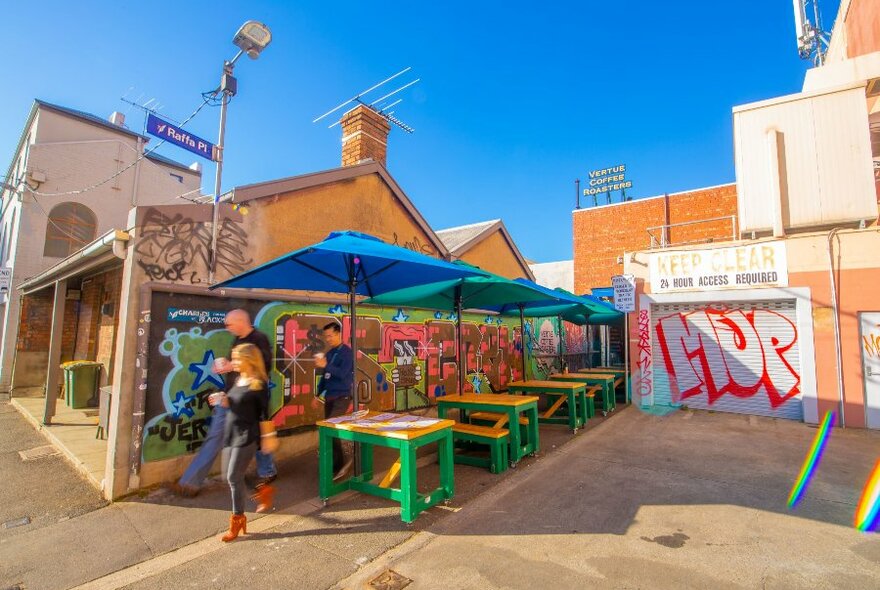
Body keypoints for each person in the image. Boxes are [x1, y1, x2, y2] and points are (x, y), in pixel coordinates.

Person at [173, 309, 277, 497]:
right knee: (217, 435)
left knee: (257, 435)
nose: (227, 328)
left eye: (229, 324)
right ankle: (189, 482)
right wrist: (225, 375)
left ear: (241, 321)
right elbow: (237, 367)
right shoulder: (237, 339)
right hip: (231, 396)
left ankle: (267, 471)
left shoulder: (259, 338)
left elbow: (264, 367)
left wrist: (230, 366)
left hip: (250, 397)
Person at [214, 344, 271, 542]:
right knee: (235, 475)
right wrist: (223, 400)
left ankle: (237, 519)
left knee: (232, 477)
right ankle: (262, 490)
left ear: (250, 360)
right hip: (231, 433)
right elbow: (235, 403)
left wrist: (267, 438)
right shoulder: (238, 379)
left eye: (238, 359)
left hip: (247, 435)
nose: (234, 362)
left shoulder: (259, 384)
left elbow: (264, 413)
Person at [315, 321, 354, 480]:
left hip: (342, 397)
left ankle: (343, 464)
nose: (328, 339)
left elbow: (343, 374)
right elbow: (325, 377)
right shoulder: (330, 353)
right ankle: (337, 463)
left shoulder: (347, 352)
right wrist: (317, 394)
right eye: (326, 337)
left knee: (331, 428)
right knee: (330, 430)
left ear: (339, 334)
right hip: (329, 397)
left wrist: (326, 365)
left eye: (330, 336)